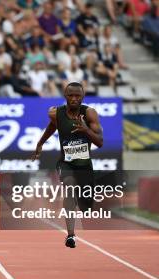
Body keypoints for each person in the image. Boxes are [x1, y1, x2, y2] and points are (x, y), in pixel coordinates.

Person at [31, 82, 103, 248]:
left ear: (82, 97)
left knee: (86, 207)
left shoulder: (90, 114)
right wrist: (40, 143)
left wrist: (85, 130)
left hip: (85, 164)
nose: (74, 99)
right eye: (70, 95)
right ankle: (71, 235)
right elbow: (52, 126)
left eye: (77, 96)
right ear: (65, 96)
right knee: (69, 188)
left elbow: (99, 142)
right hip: (66, 162)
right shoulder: (55, 113)